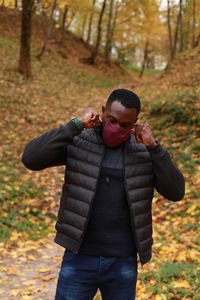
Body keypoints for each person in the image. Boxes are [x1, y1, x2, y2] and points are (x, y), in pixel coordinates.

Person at [21, 89, 185, 300]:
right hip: (79, 257)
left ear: (135, 122)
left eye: (125, 125)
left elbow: (176, 192)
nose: (117, 128)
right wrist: (75, 125)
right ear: (102, 112)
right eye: (112, 120)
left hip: (122, 262)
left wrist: (155, 148)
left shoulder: (143, 151)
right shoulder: (80, 141)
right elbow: (31, 158)